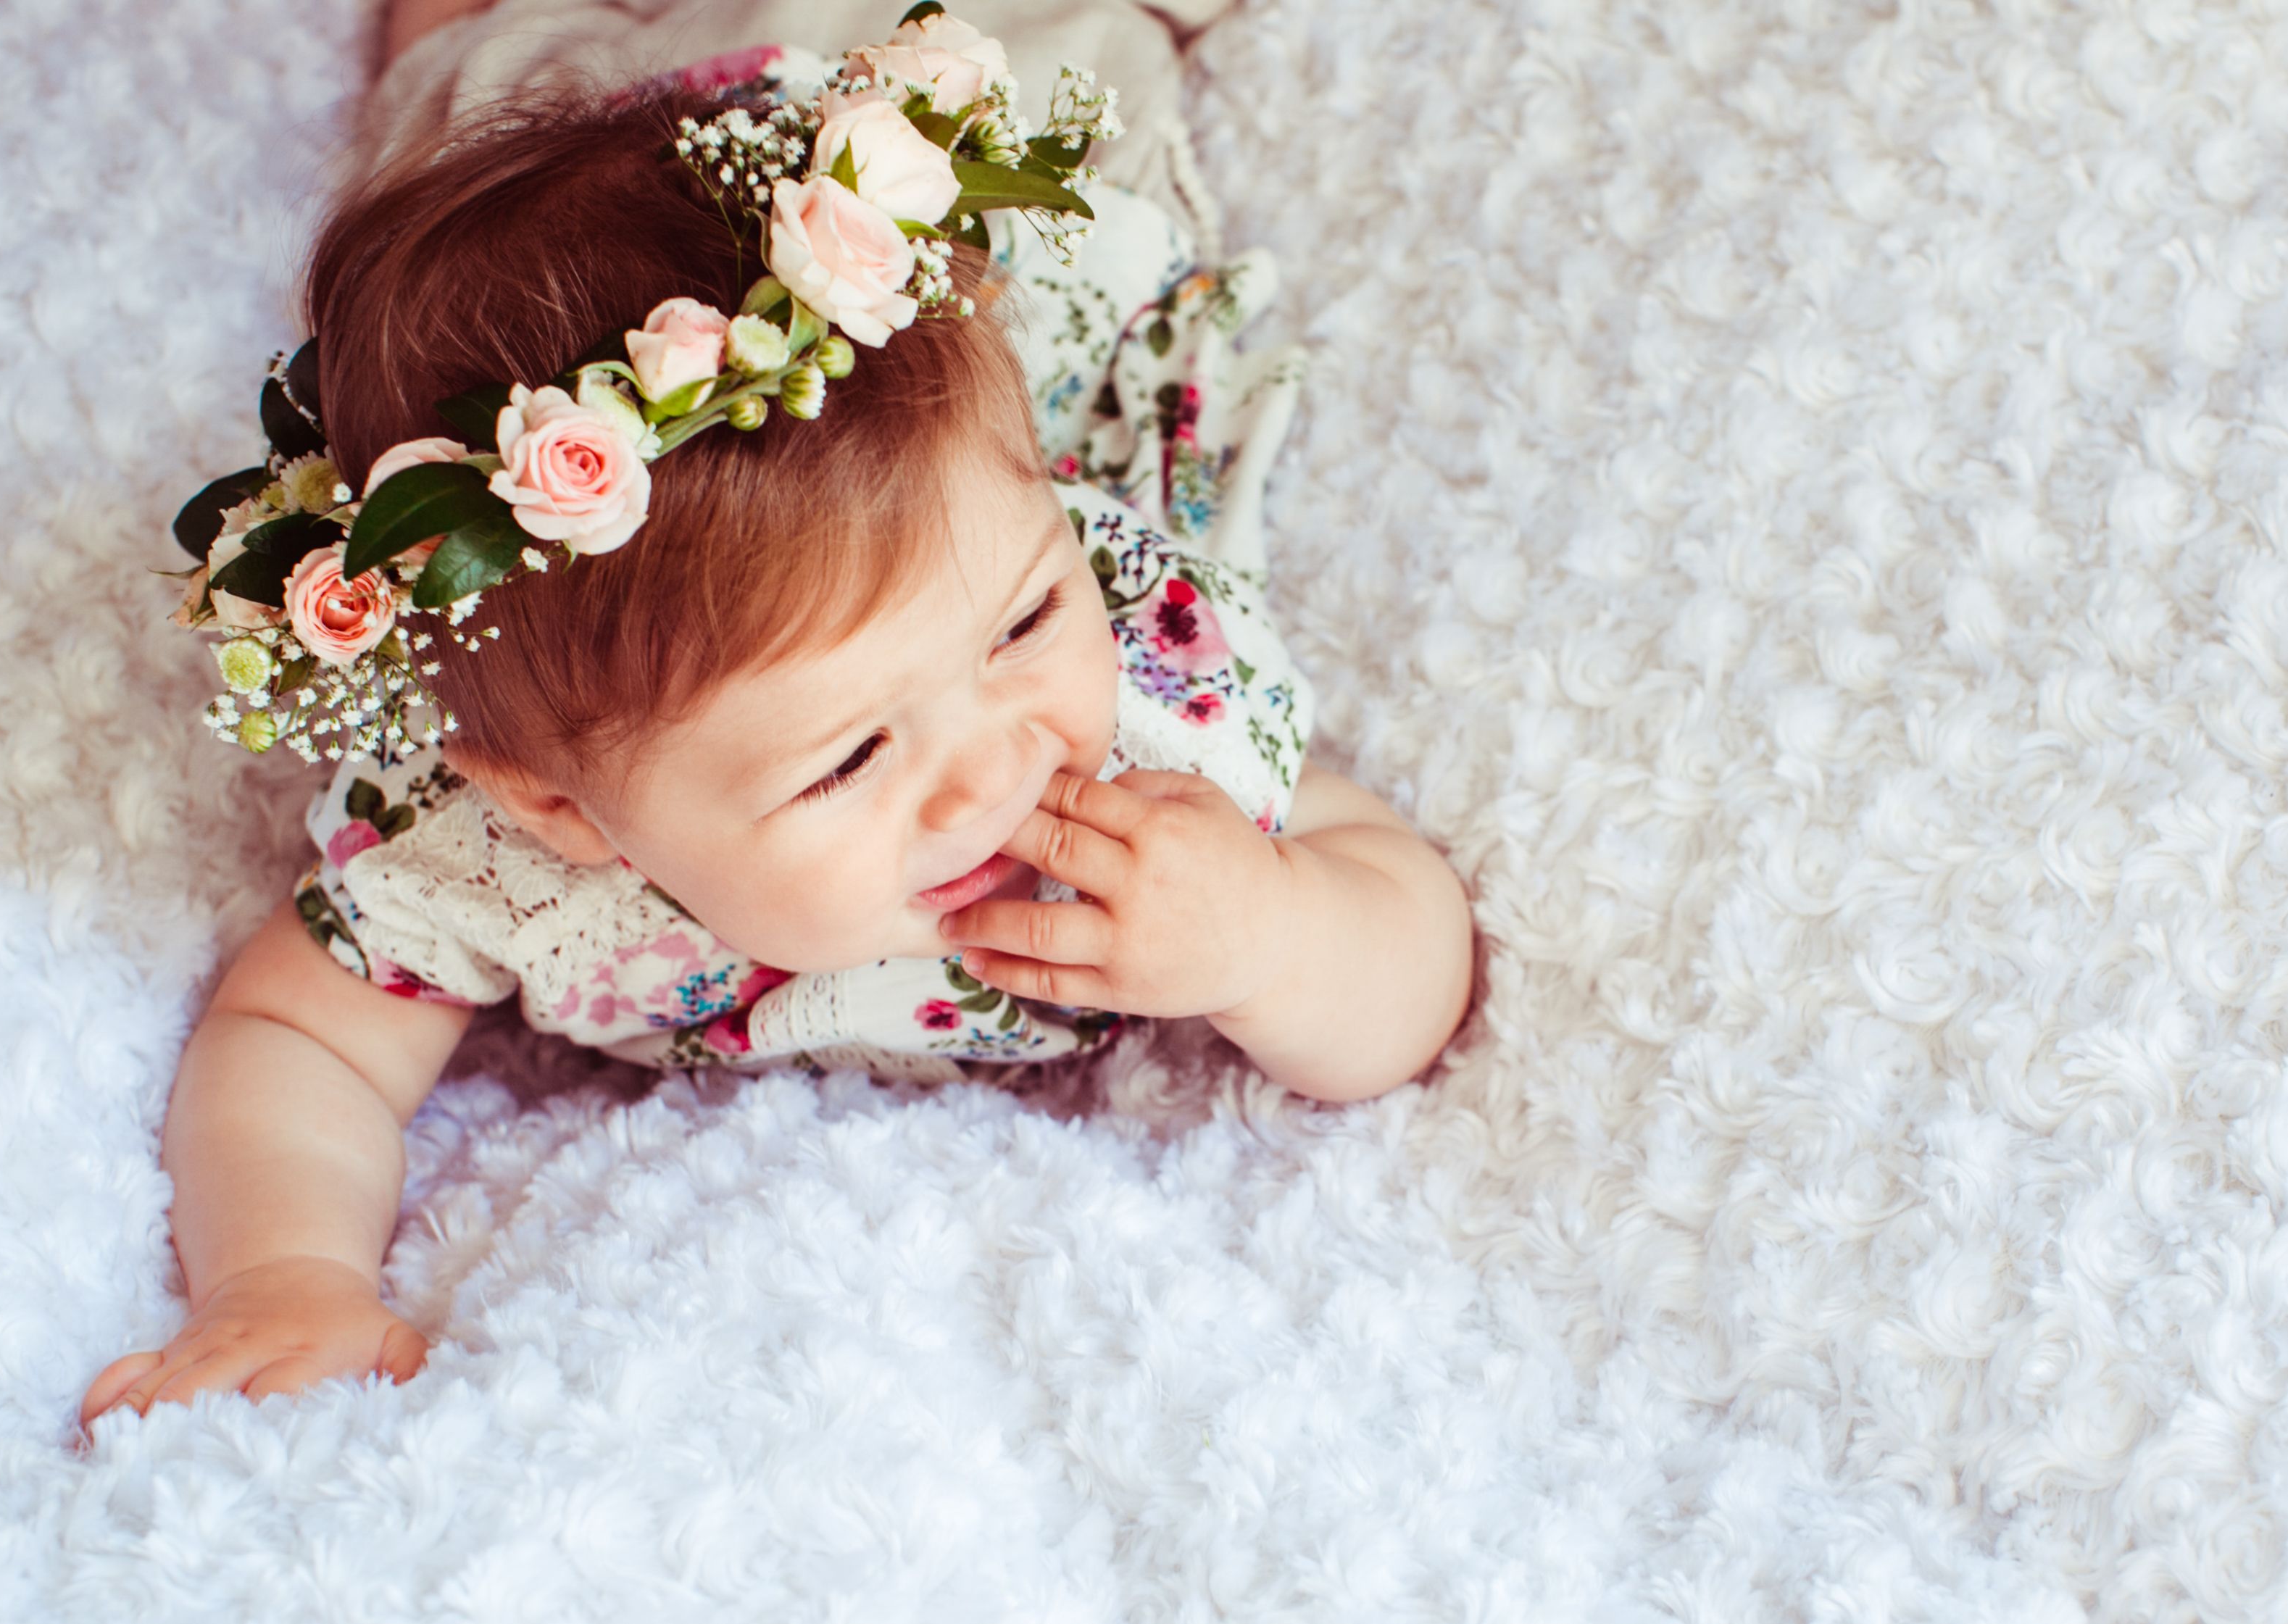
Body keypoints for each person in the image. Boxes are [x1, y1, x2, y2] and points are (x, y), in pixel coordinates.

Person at [80, 0, 1476, 1428]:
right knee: (472, 108)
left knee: (1069, 61)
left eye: (1021, 624)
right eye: (854, 753)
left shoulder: (1137, 689)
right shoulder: (491, 858)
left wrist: (1273, 933)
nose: (993, 762)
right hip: (583, 344)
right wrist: (283, 1270)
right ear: (559, 807)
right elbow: (295, 1039)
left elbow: (1408, 950)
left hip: (856, 204)